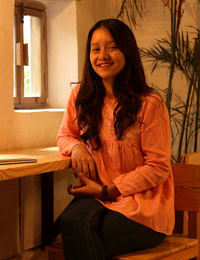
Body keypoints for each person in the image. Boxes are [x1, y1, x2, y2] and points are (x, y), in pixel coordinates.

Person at [57, 18, 174, 260]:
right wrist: (77, 147)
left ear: (127, 51)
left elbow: (158, 167)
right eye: (95, 48)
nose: (102, 55)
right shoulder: (80, 96)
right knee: (69, 222)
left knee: (89, 236)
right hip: (99, 197)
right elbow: (65, 136)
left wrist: (109, 189)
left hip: (144, 205)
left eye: (112, 47)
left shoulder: (149, 104)